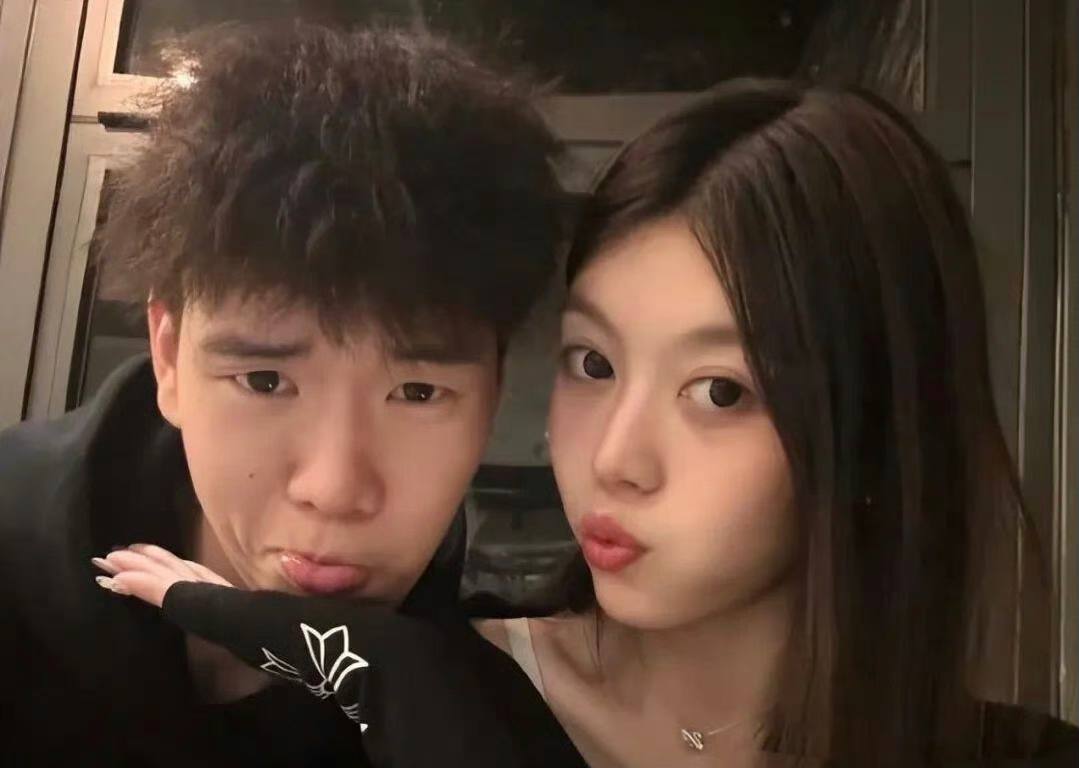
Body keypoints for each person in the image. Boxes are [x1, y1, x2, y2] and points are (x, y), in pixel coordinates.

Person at [95, 79, 1079, 767]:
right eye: (593, 365)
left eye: (719, 392)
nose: (612, 459)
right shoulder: (396, 702)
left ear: (875, 425)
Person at [0, 21, 570, 767]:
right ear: (169, 356)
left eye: (418, 391)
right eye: (265, 381)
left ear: (493, 392)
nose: (334, 490)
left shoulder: (481, 694)